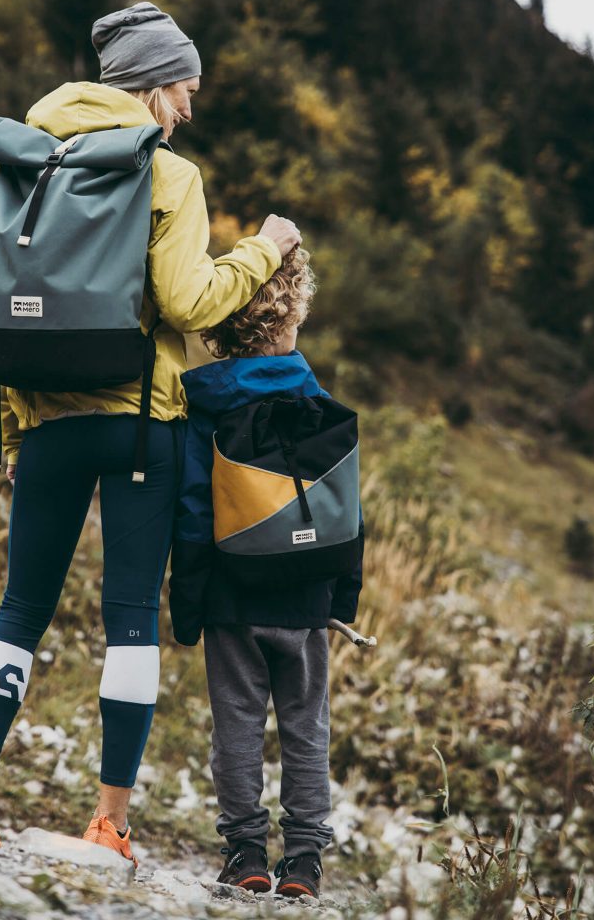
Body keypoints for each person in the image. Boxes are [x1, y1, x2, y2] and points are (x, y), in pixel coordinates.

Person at [0, 2, 302, 858]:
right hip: (145, 424)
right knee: (131, 617)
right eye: (184, 88)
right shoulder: (167, 173)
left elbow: (5, 304)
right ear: (150, 86)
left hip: (50, 422)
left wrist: (19, 428)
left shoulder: (29, 153)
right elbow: (187, 302)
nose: (189, 107)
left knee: (19, 609)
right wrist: (263, 250)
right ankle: (108, 825)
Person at [169, 248, 364, 900]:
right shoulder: (322, 406)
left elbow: (195, 511)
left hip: (233, 594)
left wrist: (188, 599)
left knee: (238, 729)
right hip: (307, 599)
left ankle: (246, 851)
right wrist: (344, 594)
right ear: (295, 318)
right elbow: (346, 508)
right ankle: (304, 862)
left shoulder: (208, 409)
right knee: (307, 730)